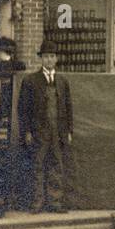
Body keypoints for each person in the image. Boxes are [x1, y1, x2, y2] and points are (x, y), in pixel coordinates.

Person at [18, 44, 72, 214]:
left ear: (56, 59)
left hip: (58, 130)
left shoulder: (63, 82)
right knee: (38, 165)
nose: (49, 60)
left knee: (57, 165)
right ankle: (37, 203)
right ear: (41, 59)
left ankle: (55, 202)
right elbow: (23, 109)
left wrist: (69, 131)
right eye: (46, 56)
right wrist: (26, 131)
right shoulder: (31, 80)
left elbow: (68, 107)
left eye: (52, 56)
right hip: (38, 131)